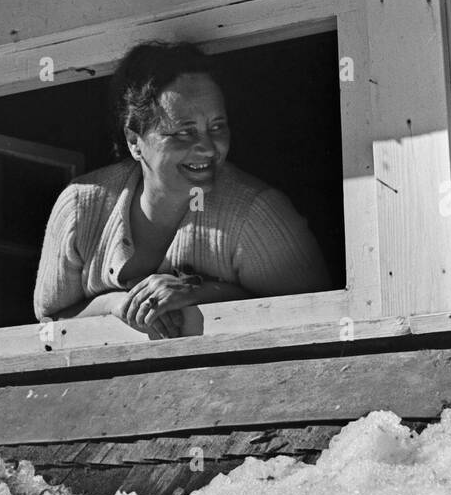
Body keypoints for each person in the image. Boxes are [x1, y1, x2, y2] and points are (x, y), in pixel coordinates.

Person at [33, 41, 332, 337]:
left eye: (217, 127)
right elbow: (49, 322)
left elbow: (319, 315)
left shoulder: (255, 213)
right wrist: (118, 303)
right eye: (184, 132)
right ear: (135, 141)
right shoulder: (80, 206)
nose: (207, 148)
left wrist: (197, 292)